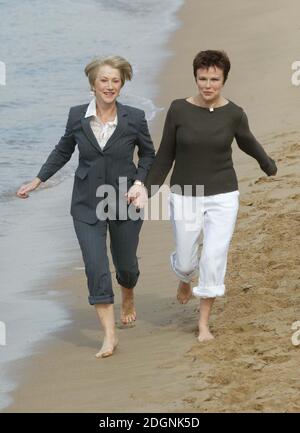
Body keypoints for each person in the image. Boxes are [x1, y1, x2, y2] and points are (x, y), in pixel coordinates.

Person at [17, 55, 155, 358]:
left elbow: (148, 155)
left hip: (124, 201)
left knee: (127, 266)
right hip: (86, 203)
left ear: (122, 84)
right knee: (95, 266)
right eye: (103, 80)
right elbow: (63, 149)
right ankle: (109, 335)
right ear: (92, 84)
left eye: (115, 81)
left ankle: (128, 293)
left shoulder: (134, 117)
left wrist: (140, 182)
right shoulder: (77, 116)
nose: (109, 86)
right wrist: (38, 179)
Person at [141, 50, 277, 343]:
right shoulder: (178, 110)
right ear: (195, 78)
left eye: (214, 79)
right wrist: (147, 190)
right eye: (202, 78)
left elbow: (248, 142)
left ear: (224, 80)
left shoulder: (234, 114)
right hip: (186, 192)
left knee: (214, 257)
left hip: (223, 194)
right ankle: (184, 277)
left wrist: (267, 164)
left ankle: (203, 324)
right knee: (188, 261)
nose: (208, 85)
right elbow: (165, 155)